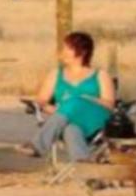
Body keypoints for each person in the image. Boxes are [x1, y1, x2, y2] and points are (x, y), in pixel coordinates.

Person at [27, 30, 115, 162]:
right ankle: (84, 168)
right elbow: (41, 101)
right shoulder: (55, 74)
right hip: (64, 123)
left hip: (95, 122)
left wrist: (86, 99)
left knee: (75, 101)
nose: (62, 52)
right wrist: (62, 111)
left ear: (83, 51)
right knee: (71, 129)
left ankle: (38, 145)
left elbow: (109, 105)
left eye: (68, 48)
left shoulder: (100, 75)